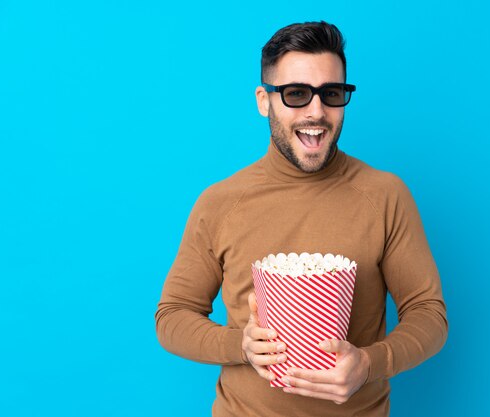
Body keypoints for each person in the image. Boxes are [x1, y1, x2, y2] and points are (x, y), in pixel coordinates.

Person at [155, 21, 448, 417]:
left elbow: (429, 314)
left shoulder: (385, 195)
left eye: (331, 94)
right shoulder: (220, 203)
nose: (316, 112)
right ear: (264, 100)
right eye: (296, 94)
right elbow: (172, 316)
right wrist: (239, 345)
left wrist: (370, 363)